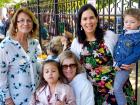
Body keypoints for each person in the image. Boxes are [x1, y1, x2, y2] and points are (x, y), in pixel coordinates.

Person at [70, 4, 136, 105]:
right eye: (85, 19)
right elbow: (73, 67)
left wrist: (131, 64)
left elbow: (128, 49)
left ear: (97, 19)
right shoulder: (76, 43)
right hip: (96, 95)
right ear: (80, 22)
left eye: (91, 17)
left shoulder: (109, 36)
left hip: (120, 90)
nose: (88, 22)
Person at [0, 8, 42, 105]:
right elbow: (1, 76)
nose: (26, 23)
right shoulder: (5, 46)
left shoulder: (34, 43)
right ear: (15, 24)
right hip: (16, 98)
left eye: (29, 20)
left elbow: (37, 64)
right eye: (21, 20)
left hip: (36, 96)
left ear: (33, 23)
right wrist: (7, 99)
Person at [113, 8, 140, 105]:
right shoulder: (124, 33)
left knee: (117, 88)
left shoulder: (137, 37)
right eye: (126, 21)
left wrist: (119, 64)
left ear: (138, 23)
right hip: (117, 64)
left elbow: (136, 54)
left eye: (132, 22)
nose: (128, 24)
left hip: (124, 67)